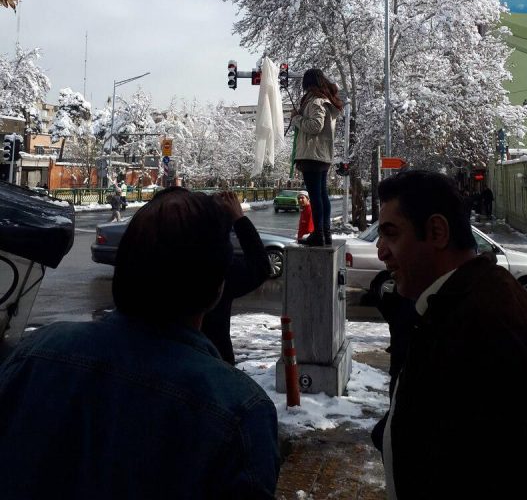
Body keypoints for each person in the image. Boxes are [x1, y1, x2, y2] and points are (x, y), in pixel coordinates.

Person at [0, 187, 279, 499]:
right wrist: (239, 220)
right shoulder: (237, 413)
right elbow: (259, 267)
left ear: (125, 267)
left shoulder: (34, 357)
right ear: (217, 289)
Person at [374, 170, 527, 500]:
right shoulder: (467, 301)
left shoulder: (484, 319)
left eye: (391, 234)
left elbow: (510, 468)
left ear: (437, 231)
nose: (381, 251)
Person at [202, 191, 271, 364]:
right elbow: (261, 266)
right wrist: (239, 219)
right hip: (216, 362)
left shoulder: (158, 264)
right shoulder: (216, 266)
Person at [291, 68, 343, 247]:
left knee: (316, 196)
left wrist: (297, 118)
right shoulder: (326, 101)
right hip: (322, 155)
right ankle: (325, 232)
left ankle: (318, 233)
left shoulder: (315, 102)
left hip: (312, 154)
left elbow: (315, 126)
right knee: (322, 195)